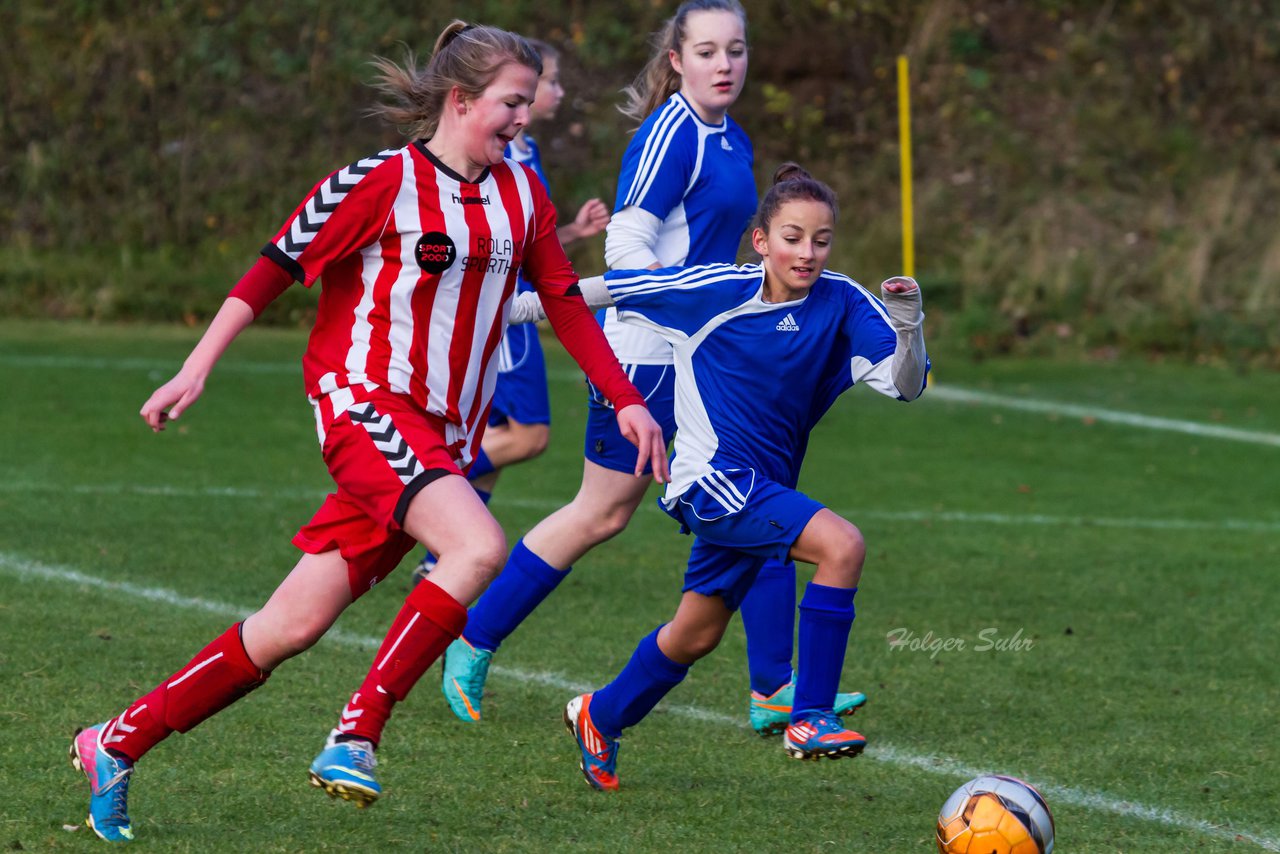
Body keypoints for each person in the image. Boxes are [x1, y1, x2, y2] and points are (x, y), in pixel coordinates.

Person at [66, 21, 666, 843]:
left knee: (287, 627)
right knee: (478, 548)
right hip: (363, 405)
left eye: (527, 103)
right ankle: (358, 729)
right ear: (461, 100)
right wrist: (197, 365)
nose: (524, 118)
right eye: (511, 102)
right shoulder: (378, 181)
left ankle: (115, 743)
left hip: (444, 436)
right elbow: (273, 266)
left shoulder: (523, 195)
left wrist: (623, 396)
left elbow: (562, 298)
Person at [439, 0, 865, 736]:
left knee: (752, 496)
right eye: (706, 51)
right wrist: (679, 317)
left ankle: (775, 686)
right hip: (650, 360)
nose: (723, 65)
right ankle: (473, 636)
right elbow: (626, 250)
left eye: (735, 50)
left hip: (706, 358)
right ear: (676, 59)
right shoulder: (671, 133)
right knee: (601, 511)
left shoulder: (731, 138)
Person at [550, 163, 929, 789]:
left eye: (821, 239)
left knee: (693, 636)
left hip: (762, 487)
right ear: (761, 240)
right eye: (792, 236)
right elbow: (611, 289)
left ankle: (600, 714)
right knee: (844, 545)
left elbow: (905, 386)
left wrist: (908, 326)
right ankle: (808, 717)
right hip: (711, 480)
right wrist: (504, 304)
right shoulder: (714, 288)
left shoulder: (844, 300)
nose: (807, 252)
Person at [411, 39, 610, 582]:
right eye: (550, 84)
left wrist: (573, 232)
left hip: (520, 297)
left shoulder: (523, 156)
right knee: (526, 435)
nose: (555, 94)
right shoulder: (480, 156)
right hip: (509, 314)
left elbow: (527, 236)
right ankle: (421, 494)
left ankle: (438, 554)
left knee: (491, 435)